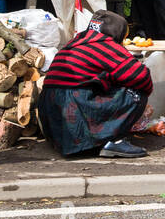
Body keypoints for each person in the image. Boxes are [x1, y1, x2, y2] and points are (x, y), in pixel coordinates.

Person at [39, 9, 153, 158]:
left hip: (51, 115)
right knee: (137, 94)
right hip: (72, 103)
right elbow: (142, 77)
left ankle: (80, 142)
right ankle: (112, 141)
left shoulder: (76, 42)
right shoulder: (105, 44)